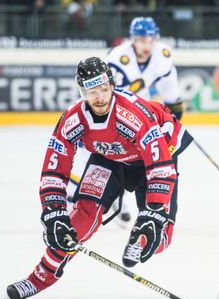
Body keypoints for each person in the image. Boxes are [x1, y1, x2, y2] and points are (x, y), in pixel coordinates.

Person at [5, 57, 193, 299]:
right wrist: (54, 212)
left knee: (160, 234)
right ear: (82, 91)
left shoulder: (131, 115)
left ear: (112, 85)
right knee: (82, 215)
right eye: (92, 91)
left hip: (154, 158)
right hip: (109, 156)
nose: (100, 97)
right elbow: (54, 168)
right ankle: (41, 276)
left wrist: (153, 212)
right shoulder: (74, 119)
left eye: (104, 89)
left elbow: (159, 165)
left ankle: (141, 237)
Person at [67, 17, 184, 225]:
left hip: (141, 116)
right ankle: (85, 194)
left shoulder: (163, 55)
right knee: (100, 153)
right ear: (133, 39)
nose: (146, 45)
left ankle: (128, 198)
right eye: (141, 39)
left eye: (150, 39)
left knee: (142, 160)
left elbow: (168, 82)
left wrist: (174, 107)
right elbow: (108, 95)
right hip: (110, 115)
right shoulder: (116, 58)